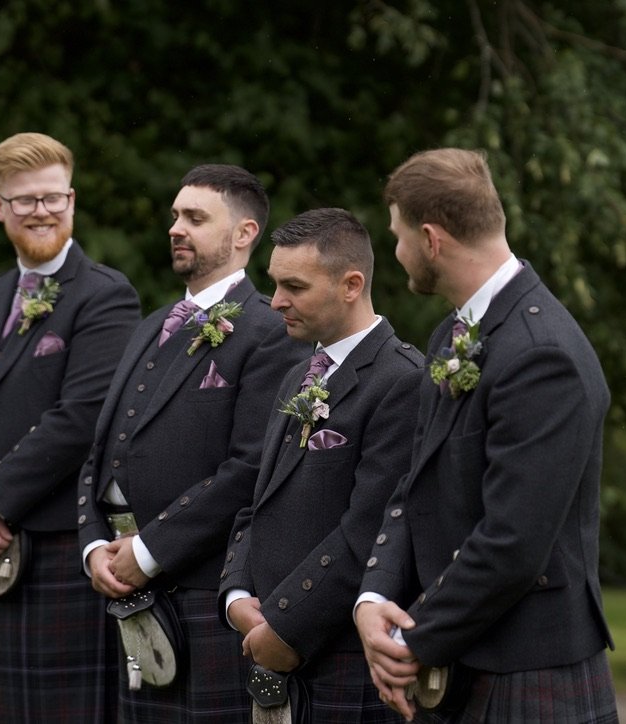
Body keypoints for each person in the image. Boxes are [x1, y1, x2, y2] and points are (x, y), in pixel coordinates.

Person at [354, 148, 618, 723]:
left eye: (398, 237)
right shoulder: (455, 334)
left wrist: (412, 641)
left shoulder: (541, 354)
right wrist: (374, 597)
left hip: (528, 670)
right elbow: (414, 487)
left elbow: (514, 542)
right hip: (465, 656)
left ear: (432, 239)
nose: (396, 252)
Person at [76, 164, 307, 722]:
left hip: (199, 591)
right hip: (120, 582)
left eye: (196, 218)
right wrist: (92, 545)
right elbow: (102, 445)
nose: (176, 227)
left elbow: (252, 467)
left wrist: (148, 552)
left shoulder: (269, 331)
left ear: (244, 234)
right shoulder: (152, 324)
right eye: (176, 215)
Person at [0, 132, 141, 723]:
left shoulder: (105, 296)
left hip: (61, 548)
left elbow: (78, 420)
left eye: (53, 197)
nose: (41, 211)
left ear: (72, 200)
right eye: (25, 200)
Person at [219, 208, 422, 722]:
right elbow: (259, 502)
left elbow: (369, 531)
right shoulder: (298, 378)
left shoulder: (401, 382)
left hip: (340, 654)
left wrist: (286, 628)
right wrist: (237, 593)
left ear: (351, 284)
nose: (277, 301)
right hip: (270, 644)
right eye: (274, 284)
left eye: (295, 286)